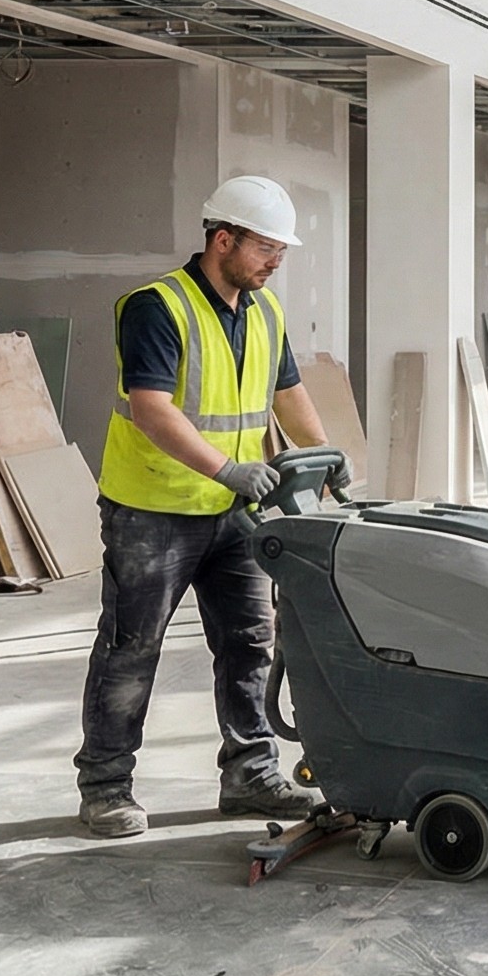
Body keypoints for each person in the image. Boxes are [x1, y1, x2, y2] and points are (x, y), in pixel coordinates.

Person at [75, 175, 341, 838]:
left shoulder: (265, 311)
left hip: (234, 514)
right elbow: (151, 407)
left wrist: (326, 454)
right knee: (131, 651)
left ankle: (249, 774)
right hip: (153, 511)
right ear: (223, 239)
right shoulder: (156, 307)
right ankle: (106, 785)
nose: (276, 261)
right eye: (266, 248)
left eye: (282, 250)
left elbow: (287, 393)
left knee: (251, 643)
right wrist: (227, 467)